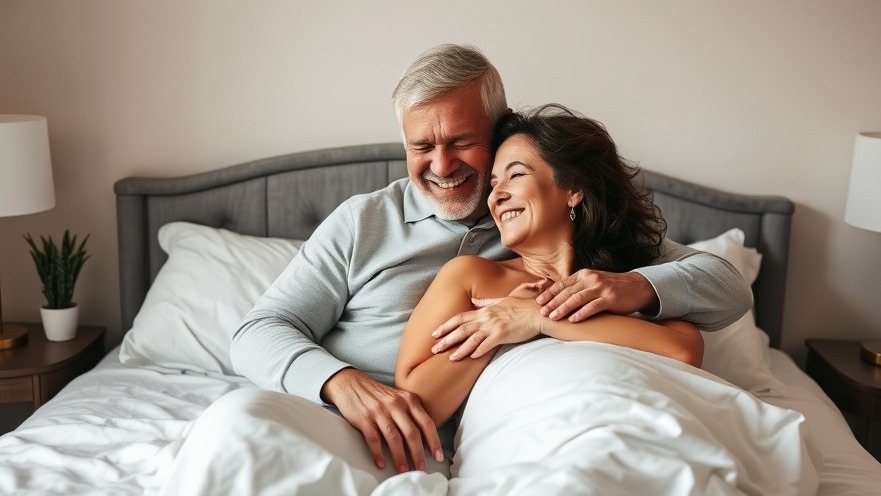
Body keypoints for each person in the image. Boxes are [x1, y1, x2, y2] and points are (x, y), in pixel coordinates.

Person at [158, 44, 752, 493]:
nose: (441, 165)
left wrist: (624, 286)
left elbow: (720, 290)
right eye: (422, 147)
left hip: (503, 436)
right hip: (355, 421)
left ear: (501, 133)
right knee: (236, 424)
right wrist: (343, 385)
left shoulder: (546, 222)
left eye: (463, 142)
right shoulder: (363, 222)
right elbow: (259, 331)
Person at [395, 103, 705, 425]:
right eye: (493, 184)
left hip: (642, 422)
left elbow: (684, 352)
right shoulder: (472, 276)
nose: (496, 196)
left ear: (573, 189)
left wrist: (537, 318)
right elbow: (419, 401)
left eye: (515, 175)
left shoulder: (628, 280)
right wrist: (496, 327)